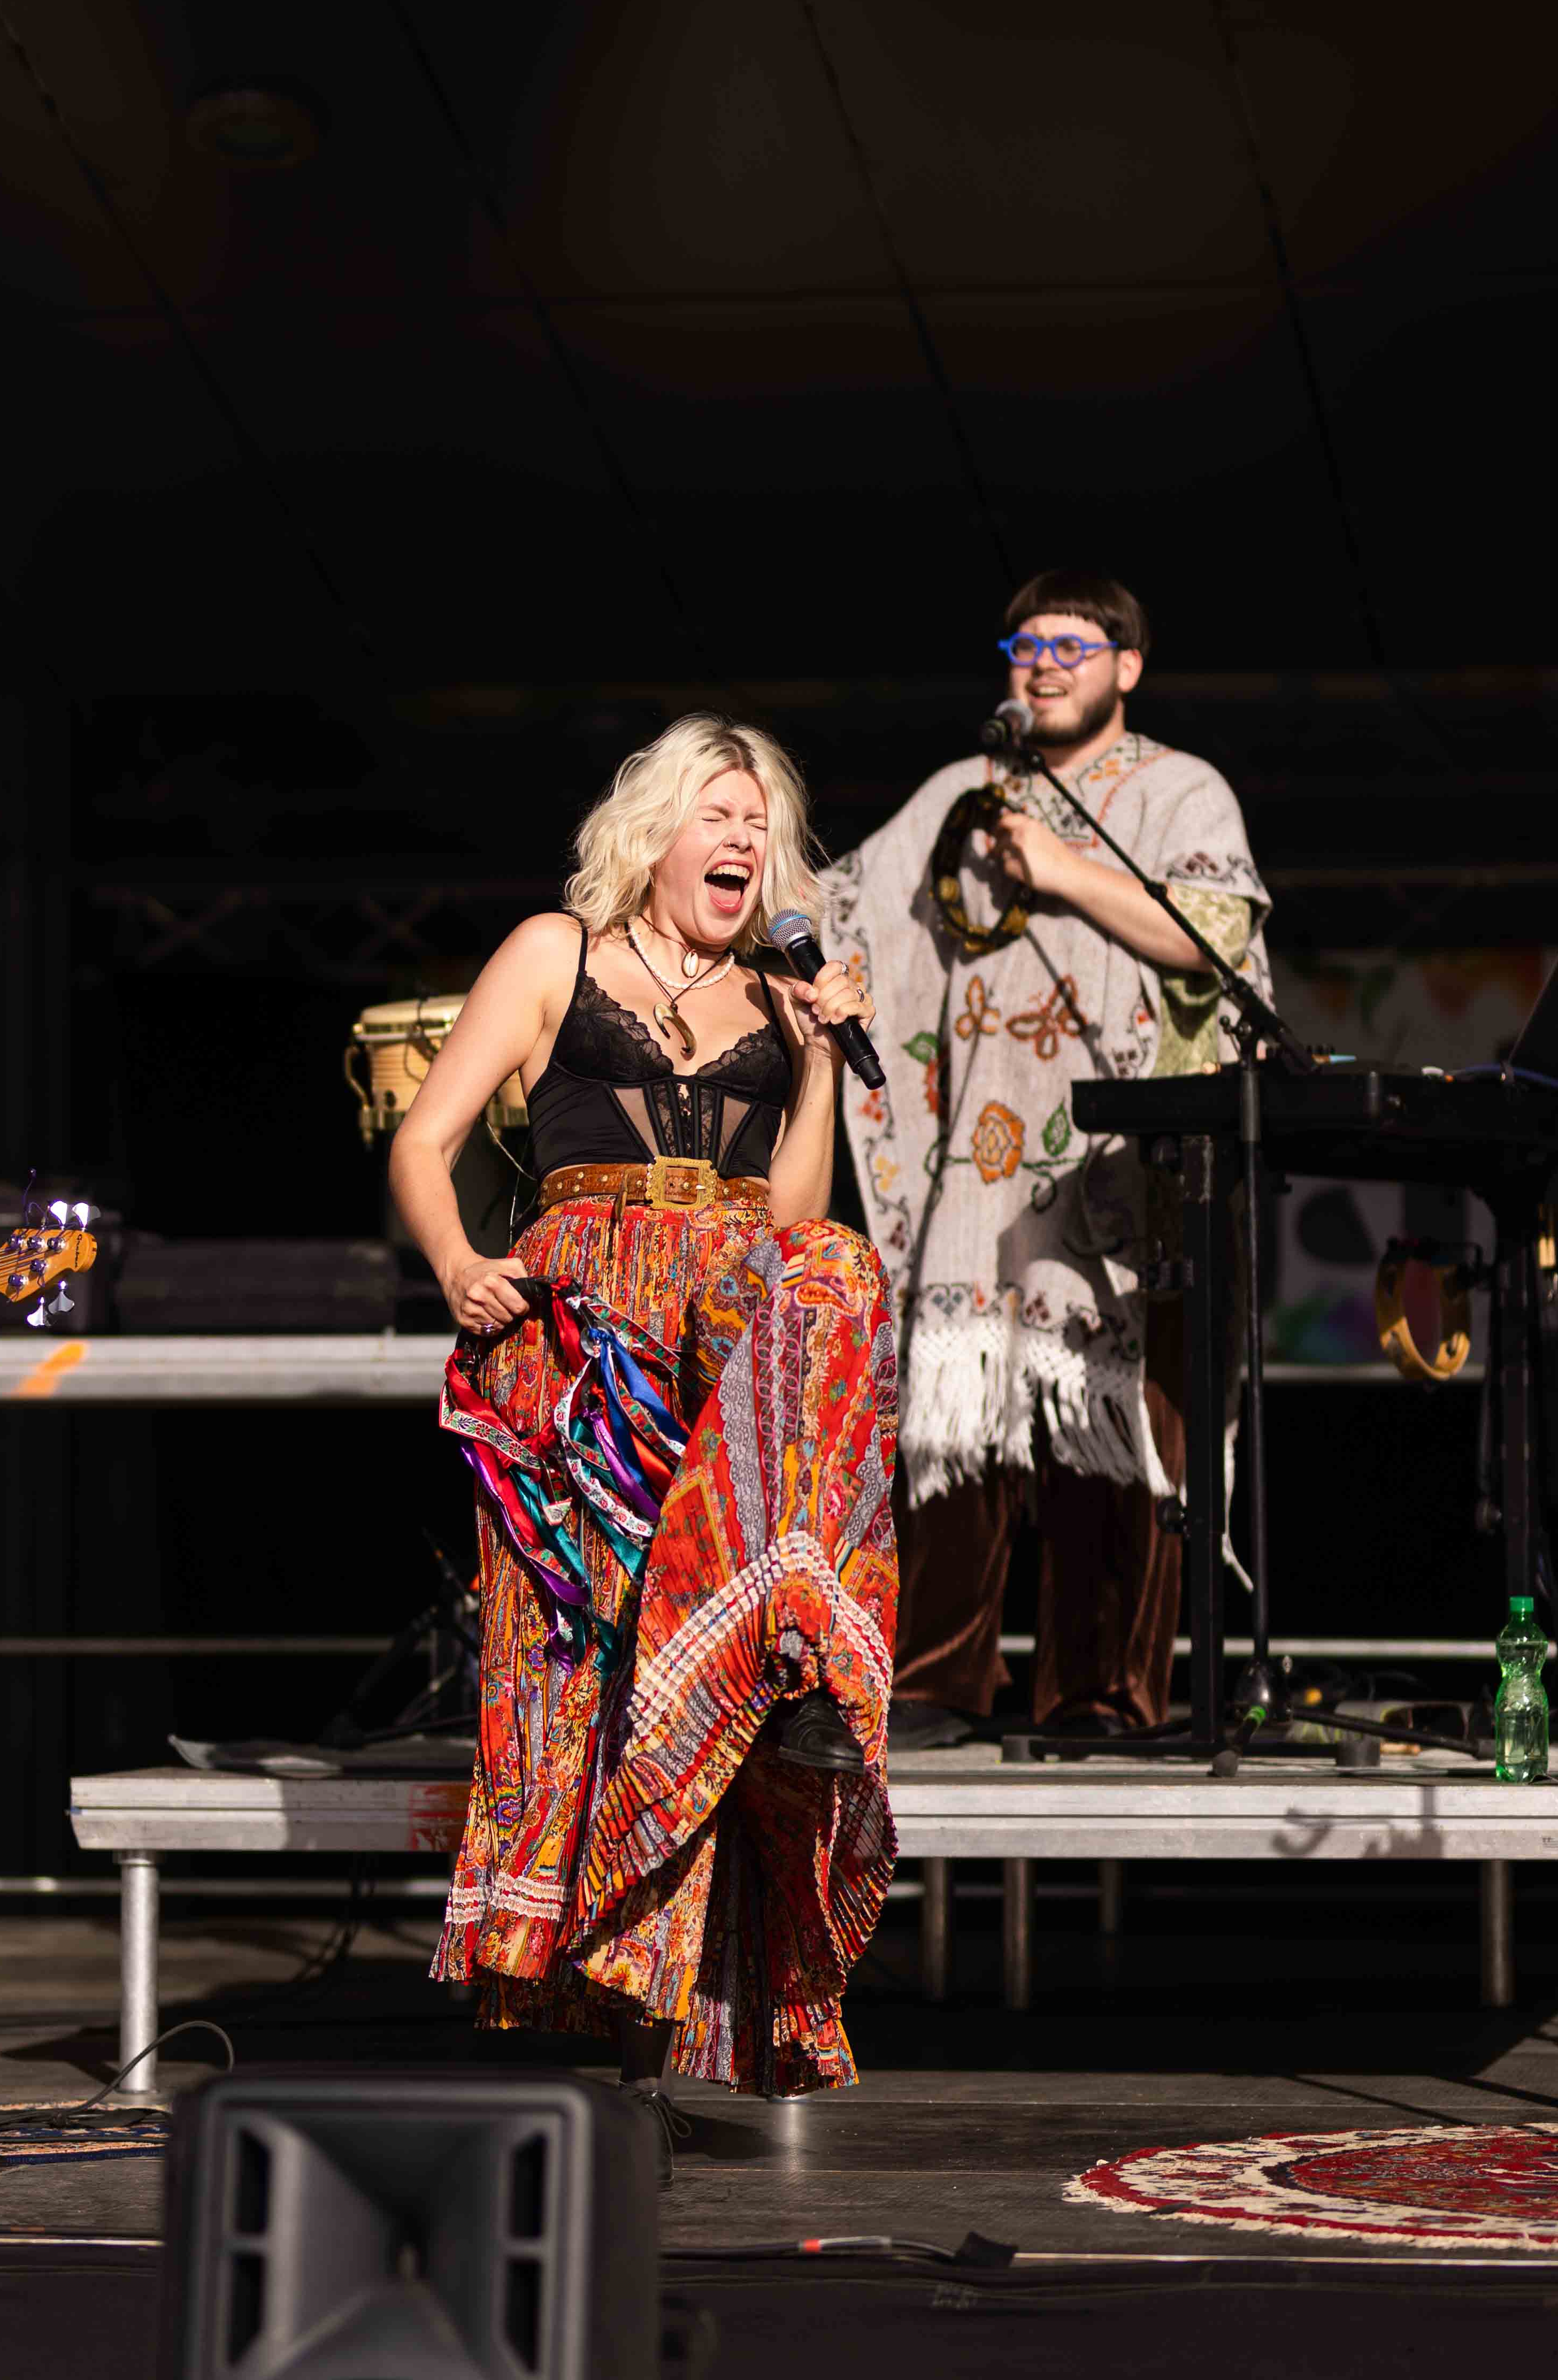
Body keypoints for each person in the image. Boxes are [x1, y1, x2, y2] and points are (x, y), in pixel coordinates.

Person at [389, 714, 898, 2160]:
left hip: (720, 1342)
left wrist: (814, 1061)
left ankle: (796, 1643)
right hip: (581, 1345)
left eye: (760, 822)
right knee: (595, 1680)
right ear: (657, 830)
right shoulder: (558, 952)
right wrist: (455, 1261)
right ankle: (604, 2031)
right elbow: (422, 1141)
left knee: (835, 1272)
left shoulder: (776, 994)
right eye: (718, 813)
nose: (743, 839)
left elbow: (794, 1226)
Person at [823, 572, 1269, 1741]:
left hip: (1114, 1161)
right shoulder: (958, 794)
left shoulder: (1179, 790)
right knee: (956, 1418)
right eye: (1027, 645)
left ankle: (1097, 1692)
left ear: (1129, 667)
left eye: (1075, 646)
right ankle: (935, 1681)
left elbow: (1218, 935)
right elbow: (842, 910)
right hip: (982, 1154)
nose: (1045, 665)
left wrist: (1064, 870)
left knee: (1105, 1418)